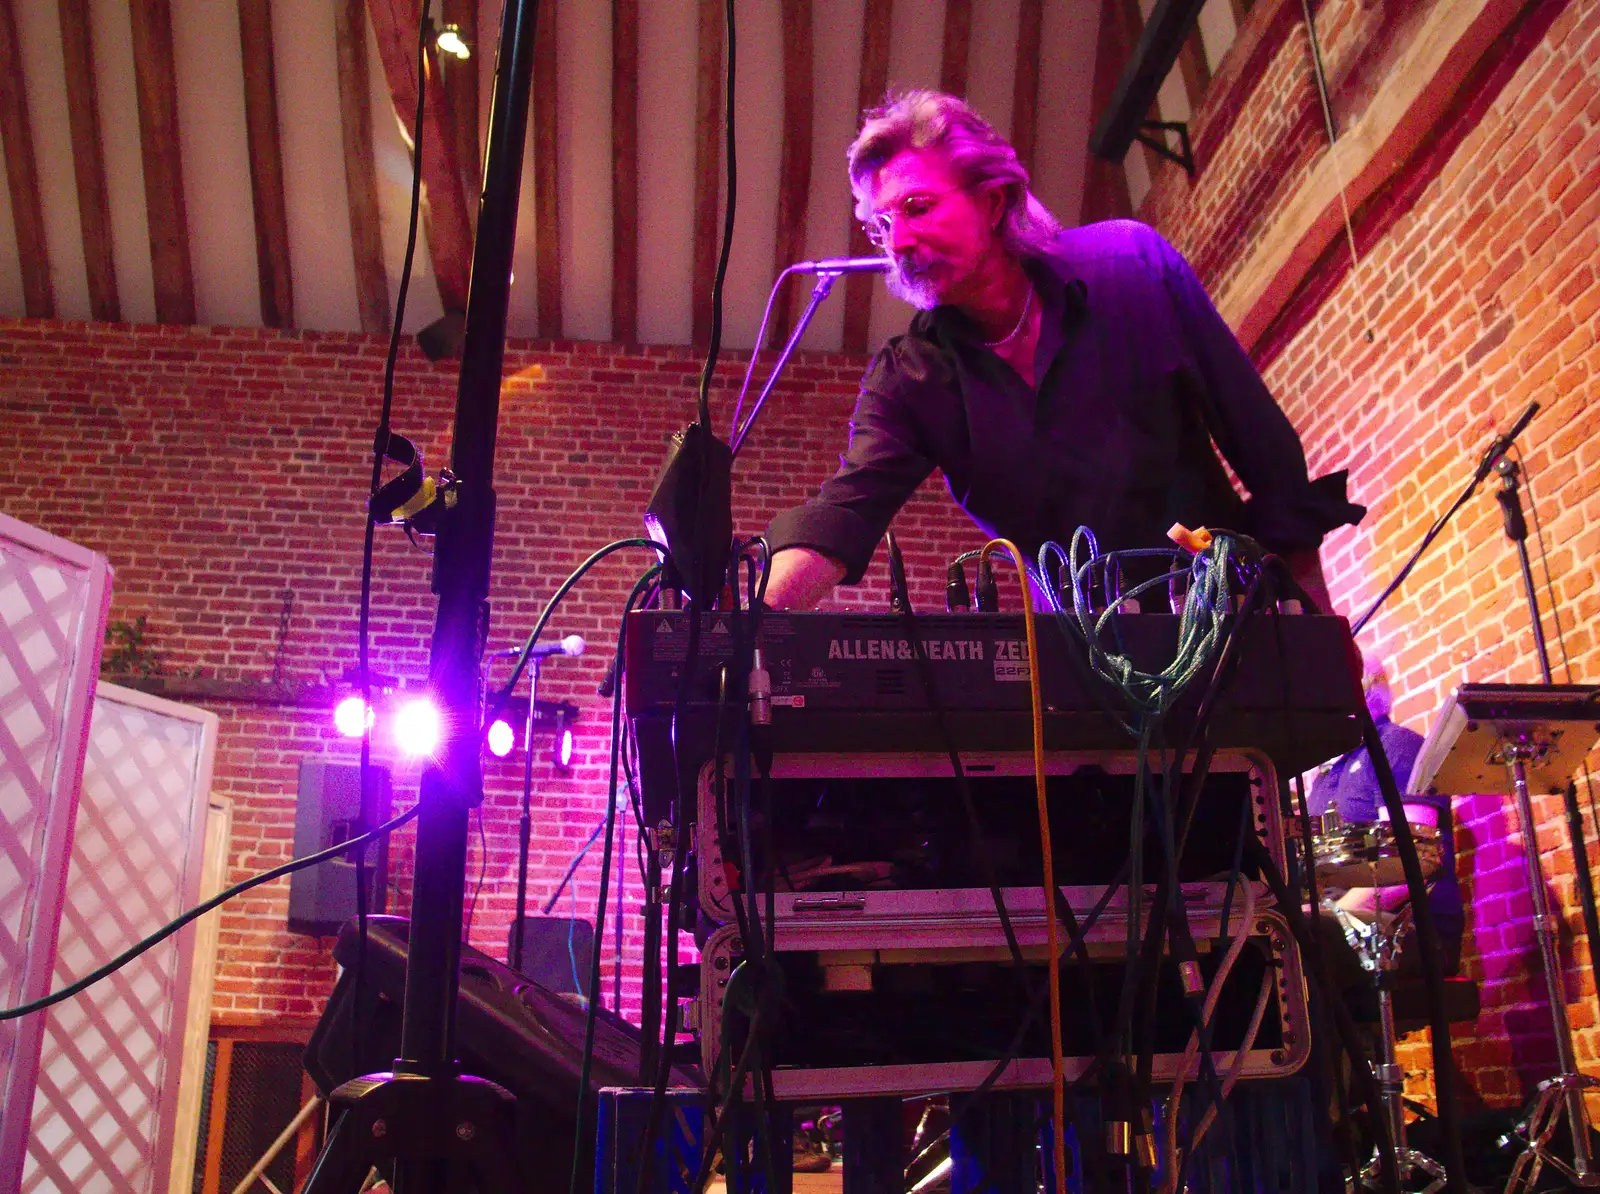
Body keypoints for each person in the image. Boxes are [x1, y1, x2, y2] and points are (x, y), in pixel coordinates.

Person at [763, 89, 1364, 611]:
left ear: (992, 201)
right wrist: (734, 629)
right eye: (883, 225)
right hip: (1089, 668)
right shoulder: (910, 377)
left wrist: (1319, 620)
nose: (901, 242)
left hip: (1223, 613)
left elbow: (1260, 443)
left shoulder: (1129, 266)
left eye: (918, 208)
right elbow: (847, 511)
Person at [1310, 659, 1464, 978]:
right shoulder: (1328, 773)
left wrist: (1330, 916)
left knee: (1300, 940)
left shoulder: (1397, 747)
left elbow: (1409, 864)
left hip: (1407, 927)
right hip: (1342, 920)